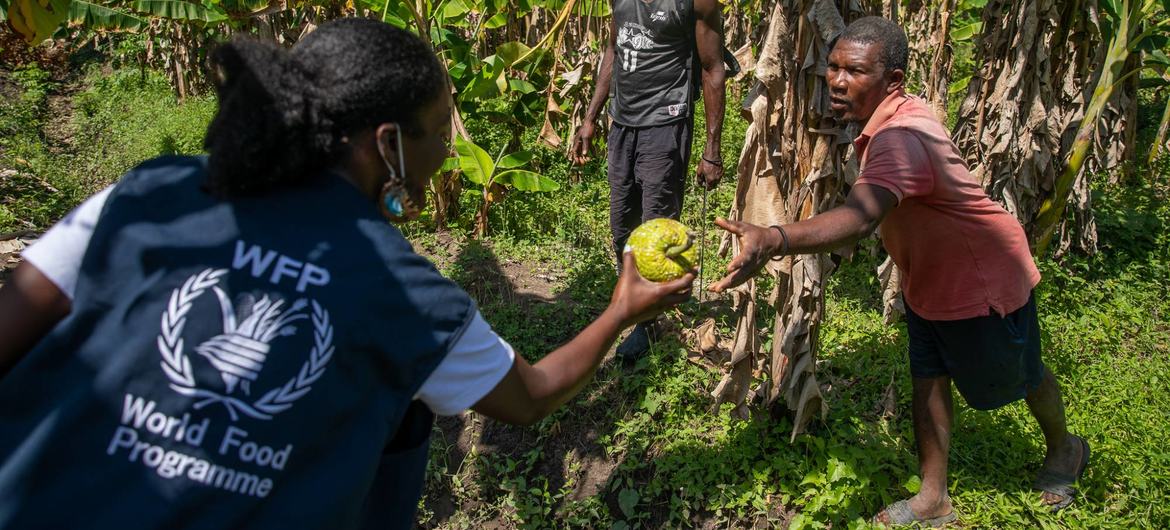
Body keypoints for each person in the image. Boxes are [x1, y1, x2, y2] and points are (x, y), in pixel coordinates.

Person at [0, 19, 693, 529]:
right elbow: (531, 395)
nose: (449, 149)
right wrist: (621, 310)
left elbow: (12, 323)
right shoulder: (404, 293)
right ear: (388, 144)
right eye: (441, 130)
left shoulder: (149, 192)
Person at [708, 17, 1089, 527]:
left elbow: (860, 218)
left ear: (893, 78)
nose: (838, 81)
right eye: (833, 67)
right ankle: (933, 497)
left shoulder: (901, 138)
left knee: (1020, 375)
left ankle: (1066, 449)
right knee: (927, 380)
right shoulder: (891, 120)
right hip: (930, 276)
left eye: (856, 71)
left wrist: (774, 238)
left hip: (982, 282)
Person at [569, 0, 727, 361]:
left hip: (666, 122)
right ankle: (636, 302)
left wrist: (712, 150)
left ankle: (649, 324)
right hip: (623, 122)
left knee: (656, 225)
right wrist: (591, 117)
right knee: (622, 225)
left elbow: (713, 68)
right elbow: (614, 48)